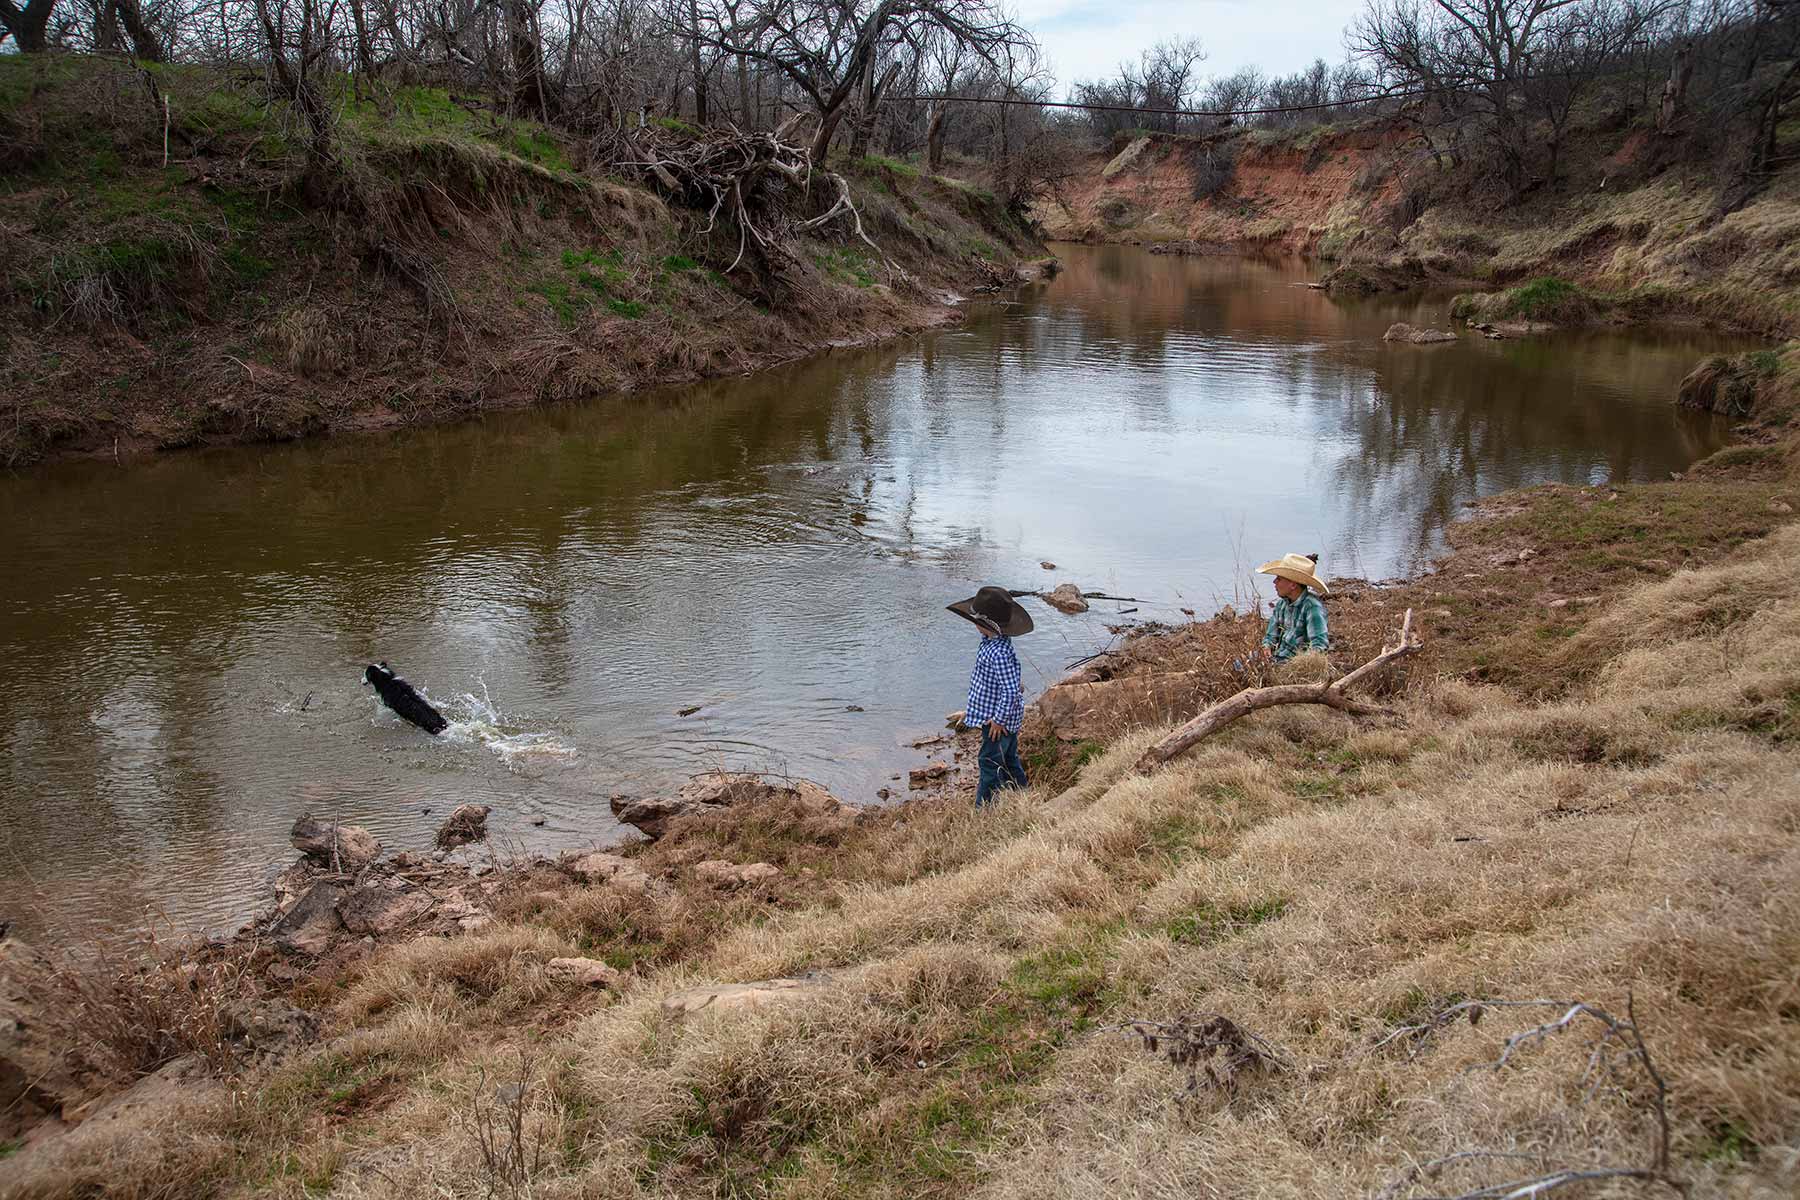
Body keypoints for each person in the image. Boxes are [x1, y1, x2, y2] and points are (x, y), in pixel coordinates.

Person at [947, 585, 1034, 807]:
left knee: (988, 762)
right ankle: (1022, 794)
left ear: (987, 625)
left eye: (976, 620)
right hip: (1000, 717)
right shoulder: (994, 643)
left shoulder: (998, 653)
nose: (974, 623)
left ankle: (984, 809)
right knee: (1008, 759)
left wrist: (998, 720)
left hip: (997, 722)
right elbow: (1009, 682)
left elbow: (1011, 690)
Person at [1257, 552, 1330, 663]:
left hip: (1294, 664)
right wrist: (1266, 647)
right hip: (1277, 657)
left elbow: (1319, 646)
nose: (1274, 582)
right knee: (1238, 664)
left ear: (1293, 585)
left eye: (1279, 579)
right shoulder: (1281, 605)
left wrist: (1297, 664)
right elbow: (1271, 636)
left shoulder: (1312, 607)